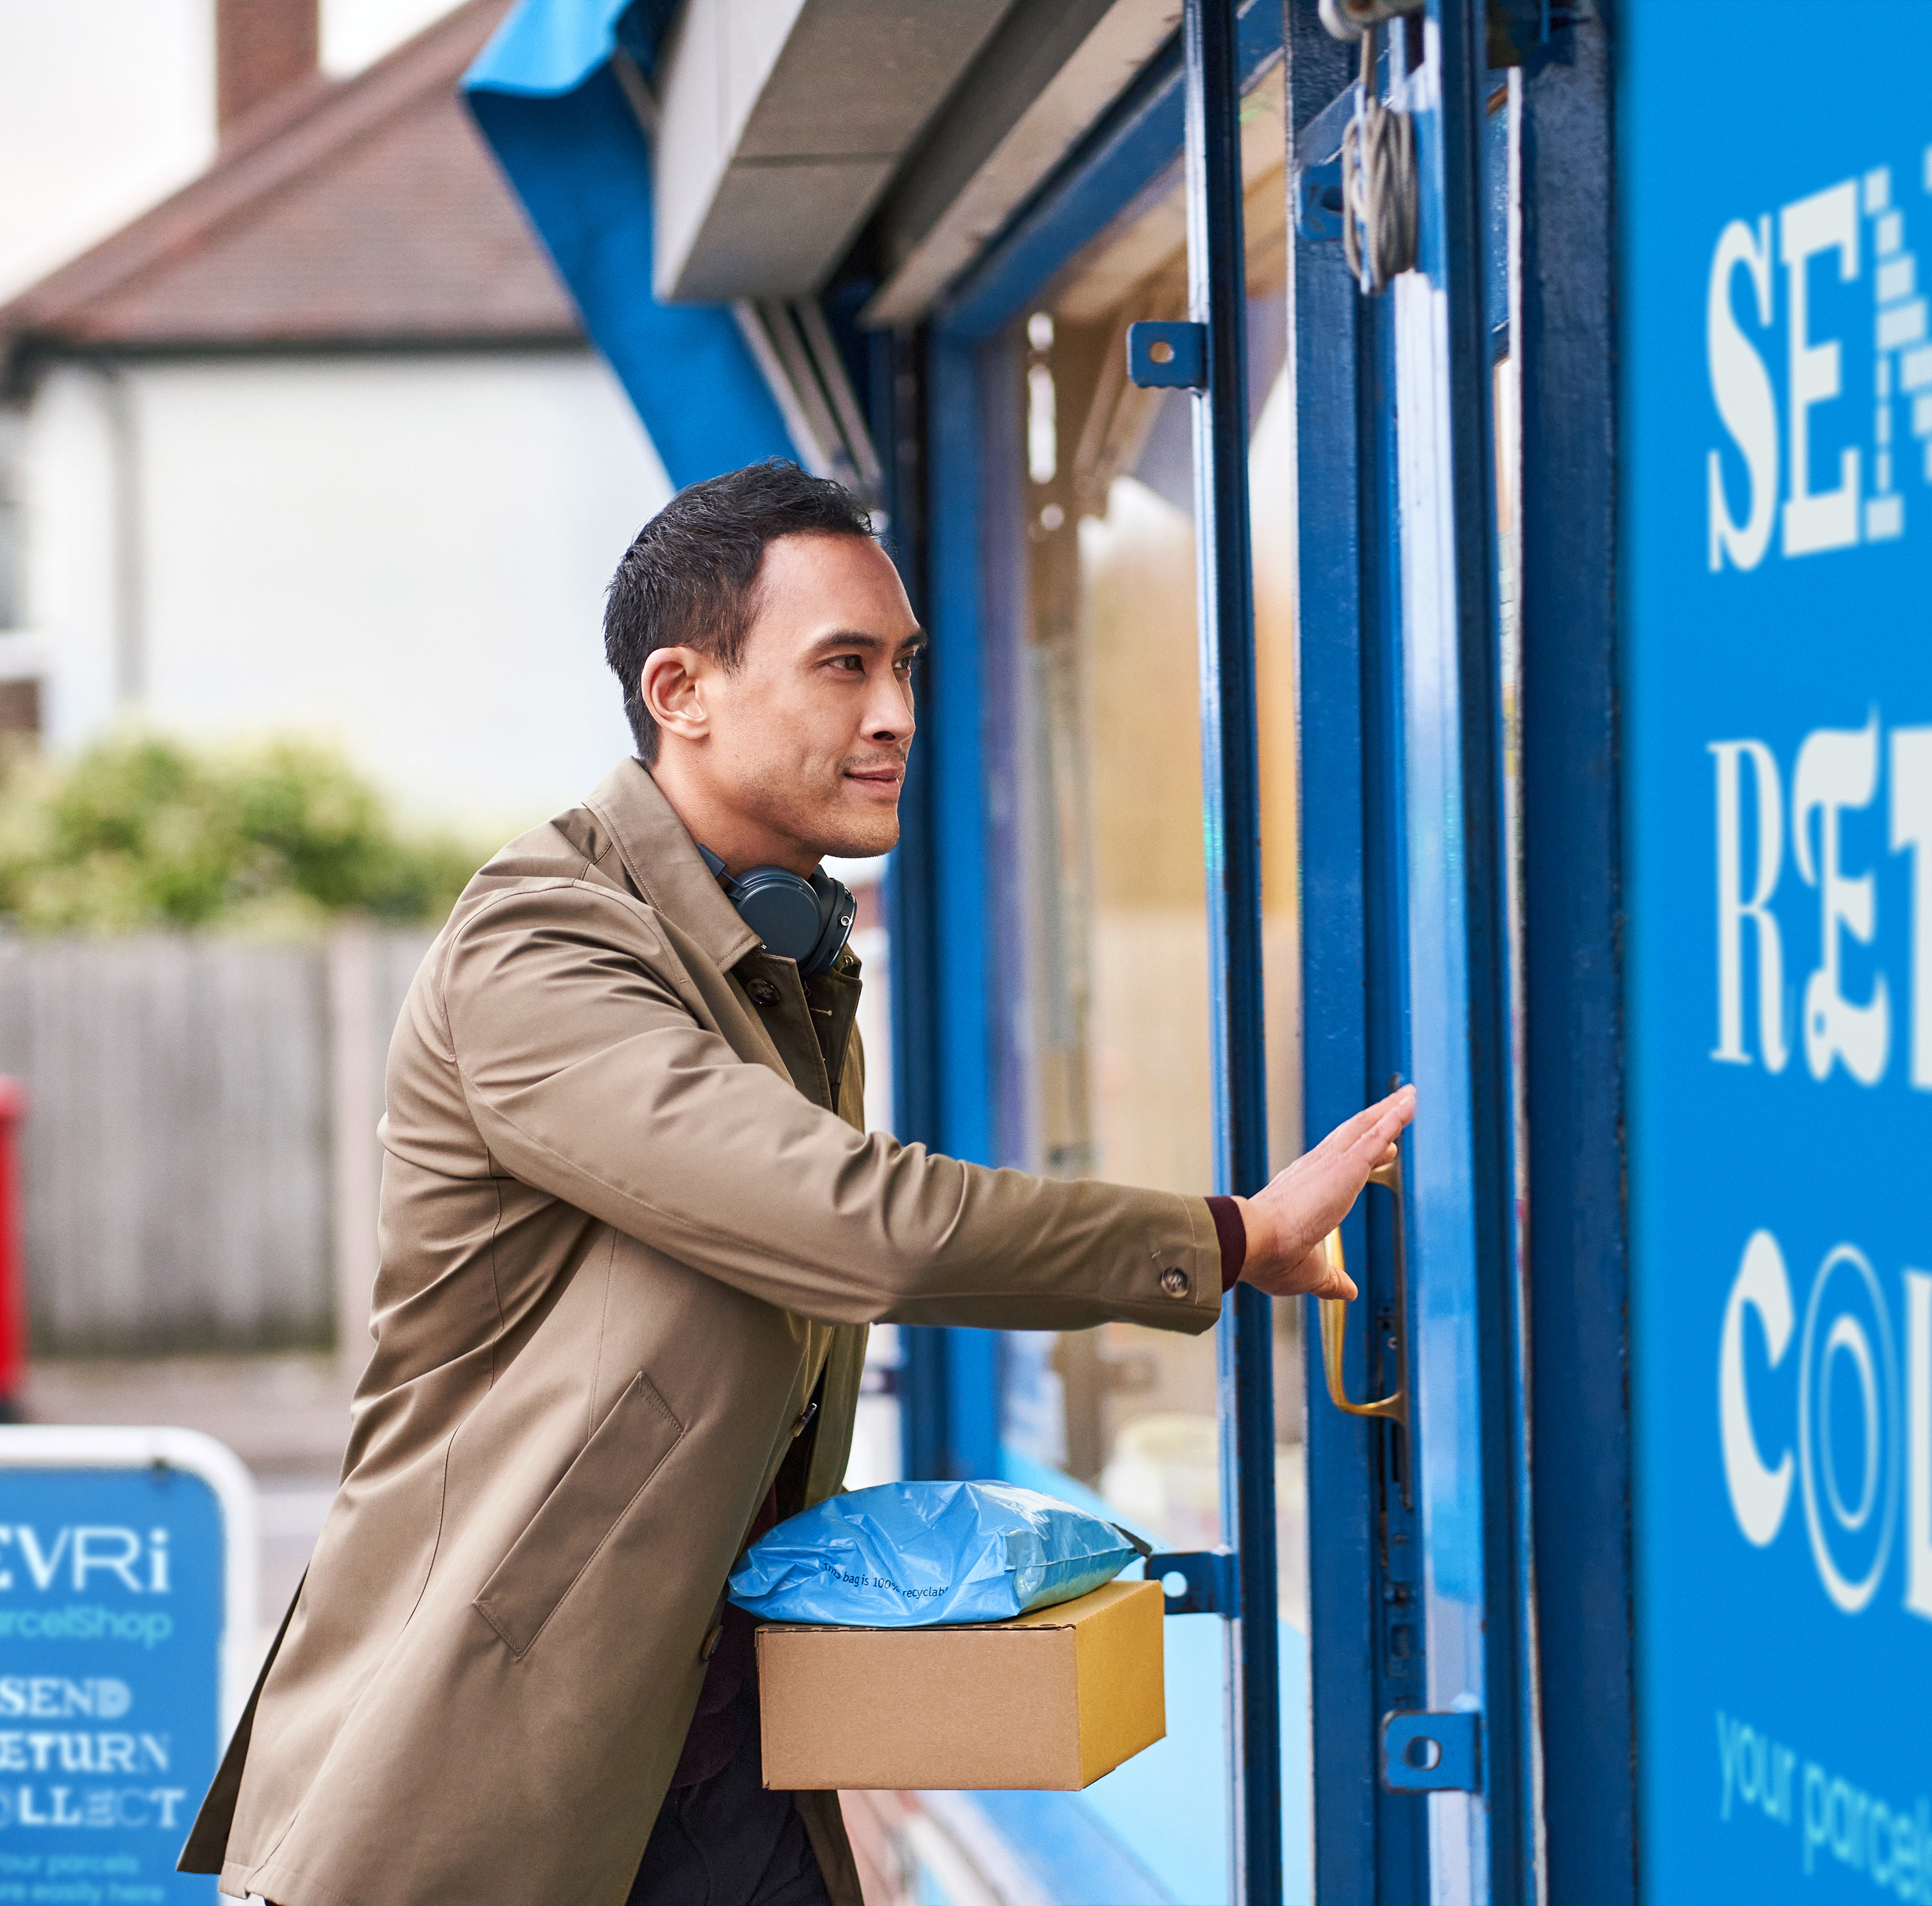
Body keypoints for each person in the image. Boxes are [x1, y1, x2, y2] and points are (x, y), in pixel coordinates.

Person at [179, 461, 1414, 1906]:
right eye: (842, 666)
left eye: (903, 668)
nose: (894, 713)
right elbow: (851, 1226)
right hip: (487, 1793)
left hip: (710, 1768)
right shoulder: (542, 949)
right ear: (679, 691)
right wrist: (1228, 1237)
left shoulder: (782, 958)